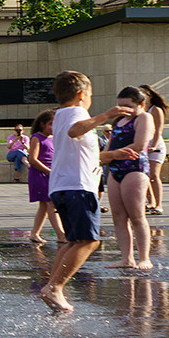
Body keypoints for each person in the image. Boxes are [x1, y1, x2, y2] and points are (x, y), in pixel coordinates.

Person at [39, 71, 107, 313]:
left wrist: (114, 155)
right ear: (81, 94)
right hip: (77, 186)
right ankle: (55, 287)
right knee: (89, 241)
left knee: (74, 241)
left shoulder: (60, 115)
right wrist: (106, 116)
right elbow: (75, 131)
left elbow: (79, 150)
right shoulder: (77, 113)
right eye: (90, 95)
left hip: (64, 185)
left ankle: (53, 287)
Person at [84, 85, 156, 271]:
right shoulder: (119, 121)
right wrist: (102, 158)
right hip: (115, 169)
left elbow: (140, 144)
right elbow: (109, 146)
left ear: (141, 104)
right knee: (118, 216)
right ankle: (127, 258)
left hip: (134, 168)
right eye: (120, 106)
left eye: (128, 106)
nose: (124, 110)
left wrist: (113, 154)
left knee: (136, 215)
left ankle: (145, 258)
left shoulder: (144, 118)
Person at [24, 111, 63, 244]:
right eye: (51, 124)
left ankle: (35, 233)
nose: (53, 127)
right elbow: (32, 159)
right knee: (50, 203)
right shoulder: (37, 137)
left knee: (44, 206)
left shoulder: (53, 137)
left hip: (50, 174)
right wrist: (48, 171)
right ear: (42, 124)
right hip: (40, 174)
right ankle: (61, 235)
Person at [140, 85, 169, 214]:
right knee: (144, 175)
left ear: (150, 95)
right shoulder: (142, 110)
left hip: (155, 145)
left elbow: (159, 129)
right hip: (144, 145)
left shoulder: (156, 109)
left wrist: (153, 144)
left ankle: (159, 204)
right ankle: (151, 201)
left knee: (153, 174)